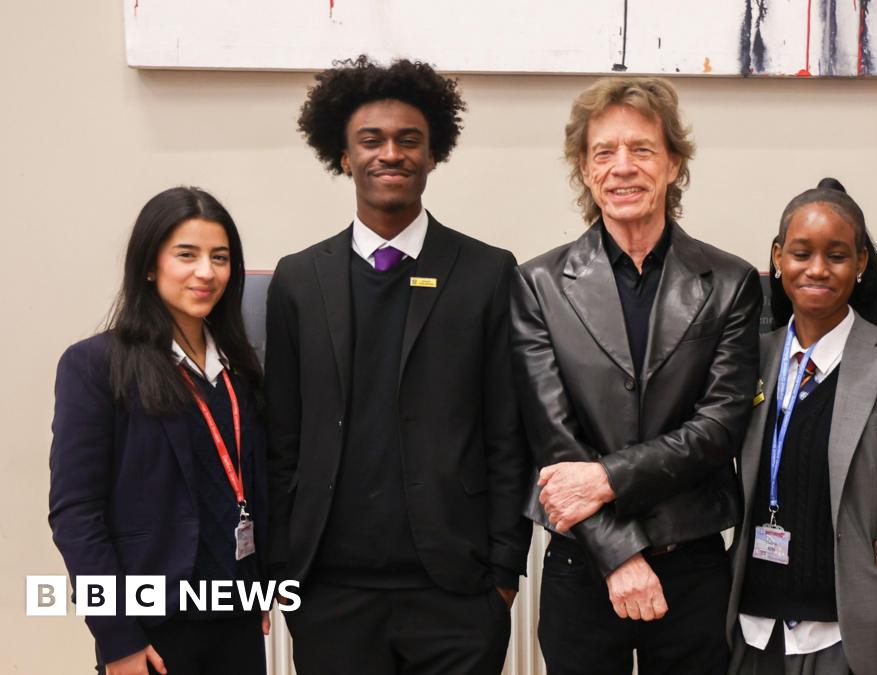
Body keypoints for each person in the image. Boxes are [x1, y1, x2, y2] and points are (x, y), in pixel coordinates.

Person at [265, 55, 530, 675]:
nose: (392, 153)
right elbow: (281, 438)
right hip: (329, 591)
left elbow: (508, 434)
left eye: (409, 140)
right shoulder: (299, 279)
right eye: (372, 140)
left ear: (434, 153)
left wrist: (504, 569)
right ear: (343, 154)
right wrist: (279, 571)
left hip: (458, 591)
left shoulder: (488, 273)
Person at [510, 76, 762, 674]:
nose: (623, 167)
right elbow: (552, 436)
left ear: (673, 163)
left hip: (694, 563)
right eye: (604, 152)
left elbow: (720, 426)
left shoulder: (731, 284)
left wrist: (603, 478)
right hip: (582, 564)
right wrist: (619, 557)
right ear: (584, 168)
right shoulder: (538, 286)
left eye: (642, 149)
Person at [726, 178, 877, 675]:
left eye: (838, 255)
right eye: (801, 253)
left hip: (850, 642)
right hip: (754, 634)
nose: (817, 269)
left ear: (862, 263)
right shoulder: (750, 360)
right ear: (778, 259)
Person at [49, 187, 269, 675]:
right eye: (186, 256)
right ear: (151, 266)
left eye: (220, 257)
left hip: (237, 614)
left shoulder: (240, 369)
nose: (206, 272)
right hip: (152, 628)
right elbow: (76, 515)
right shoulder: (96, 365)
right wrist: (117, 639)